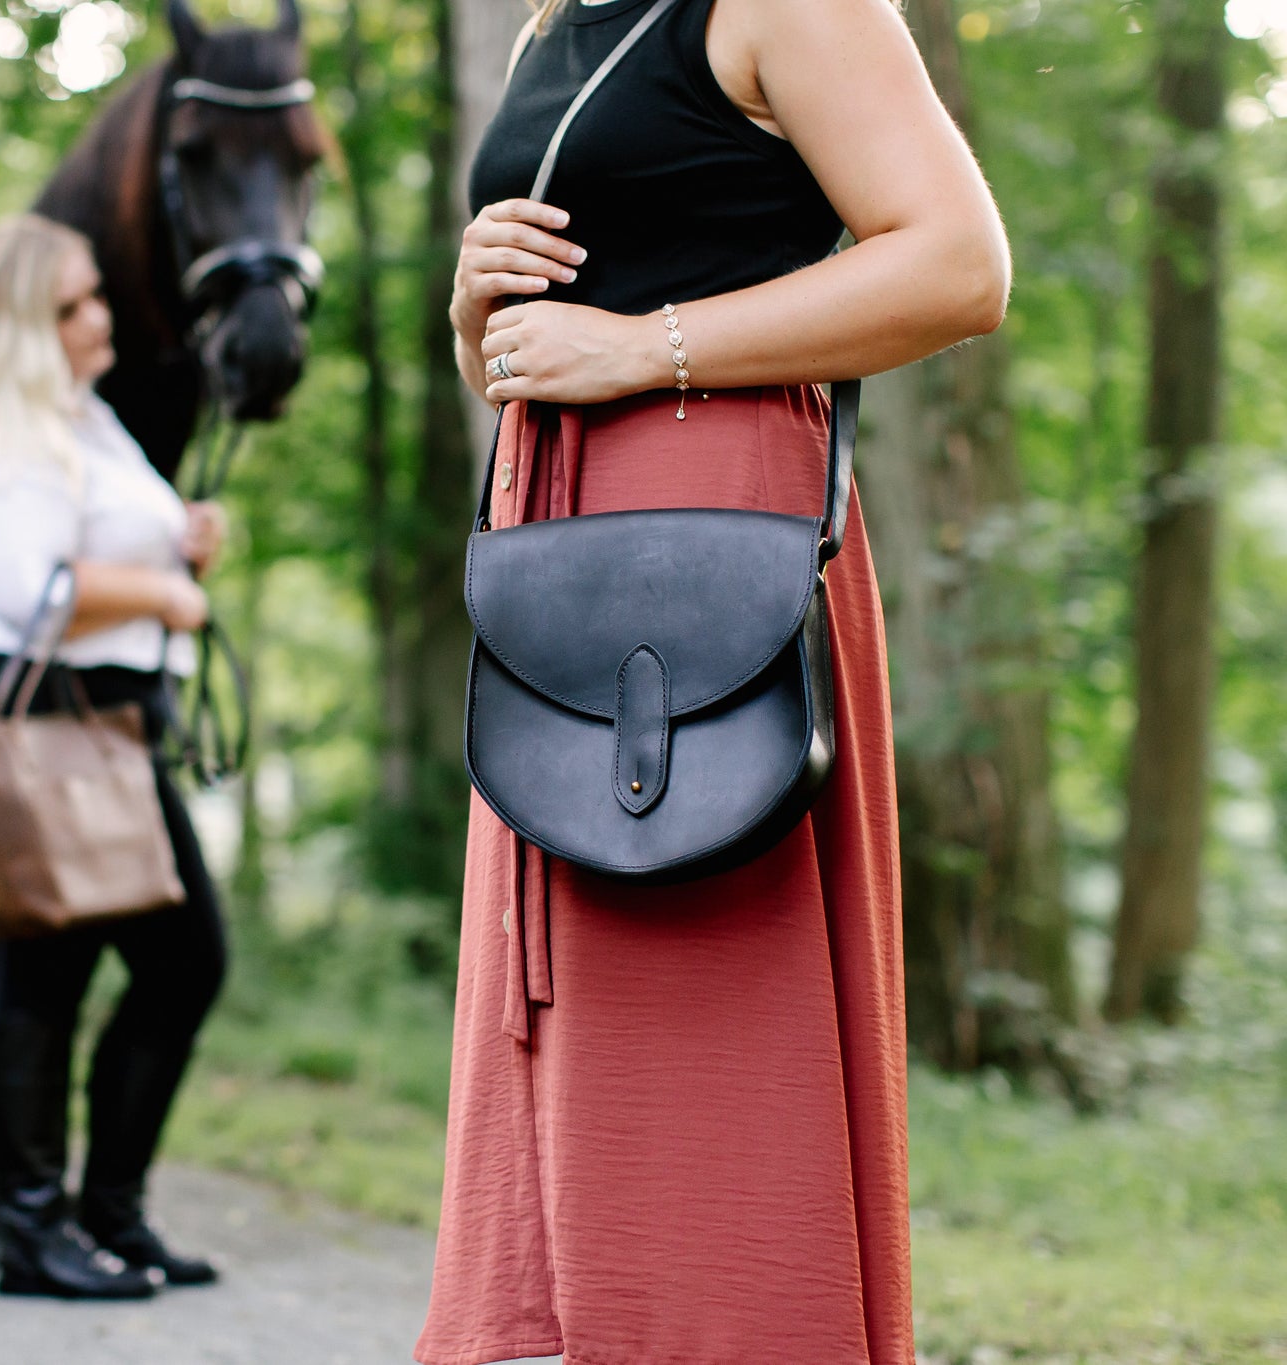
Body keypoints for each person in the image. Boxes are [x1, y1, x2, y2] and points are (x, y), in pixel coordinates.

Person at [417, 0, 1009, 1361]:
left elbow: (959, 264)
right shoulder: (554, 23)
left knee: (708, 999)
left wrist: (644, 344)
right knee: (573, 1014)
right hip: (563, 535)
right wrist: (476, 315)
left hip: (704, 540)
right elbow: (526, 356)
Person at [0, 214, 230, 1301]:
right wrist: (163, 593)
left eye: (93, 294)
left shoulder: (80, 416)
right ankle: (29, 1230)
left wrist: (177, 538)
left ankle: (103, 1216)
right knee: (48, 976)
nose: (99, 316)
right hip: (46, 710)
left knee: (177, 963)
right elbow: (32, 589)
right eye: (68, 307)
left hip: (103, 711)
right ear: (15, 329)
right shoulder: (12, 433)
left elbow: (94, 541)